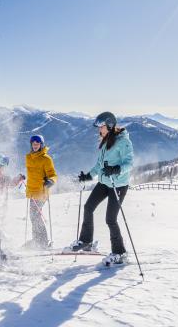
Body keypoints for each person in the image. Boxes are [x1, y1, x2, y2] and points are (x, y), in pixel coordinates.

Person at [67, 112, 134, 266]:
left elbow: (129, 164)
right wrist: (88, 176)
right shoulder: (106, 141)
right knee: (88, 207)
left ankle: (120, 253)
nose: (99, 130)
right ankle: (86, 241)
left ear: (109, 125)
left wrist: (117, 169)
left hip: (118, 184)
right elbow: (99, 166)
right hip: (105, 182)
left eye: (101, 126)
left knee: (110, 219)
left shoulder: (124, 142)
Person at [24, 134, 57, 248]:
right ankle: (37, 240)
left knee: (35, 216)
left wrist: (51, 181)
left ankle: (42, 241)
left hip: (42, 191)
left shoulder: (46, 159)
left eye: (37, 144)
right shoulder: (28, 157)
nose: (35, 146)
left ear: (41, 144)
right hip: (32, 192)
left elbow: (53, 175)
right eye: (33, 144)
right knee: (33, 217)